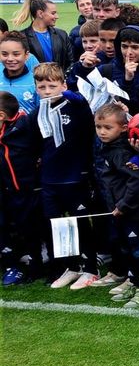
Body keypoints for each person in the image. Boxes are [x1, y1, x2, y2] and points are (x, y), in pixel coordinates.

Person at [34, 64, 98, 289]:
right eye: (42, 87)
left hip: (75, 176)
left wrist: (68, 93)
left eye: (52, 86)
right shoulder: (38, 111)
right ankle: (71, 267)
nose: (47, 91)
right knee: (59, 225)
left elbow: (82, 103)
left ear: (63, 85)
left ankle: (90, 268)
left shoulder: (75, 106)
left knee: (79, 223)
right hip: (50, 179)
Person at [0, 91, 42, 285]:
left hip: (30, 190)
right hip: (7, 191)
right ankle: (12, 265)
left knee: (32, 227)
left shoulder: (25, 125)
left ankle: (39, 265)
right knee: (7, 227)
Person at [13, 0, 72, 71]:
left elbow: (70, 61)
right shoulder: (22, 37)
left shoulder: (62, 34)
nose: (57, 16)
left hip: (59, 81)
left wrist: (63, 79)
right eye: (53, 13)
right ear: (40, 14)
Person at [0, 32, 39, 113]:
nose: (10, 58)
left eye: (16, 54)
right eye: (4, 54)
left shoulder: (36, 82)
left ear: (27, 55)